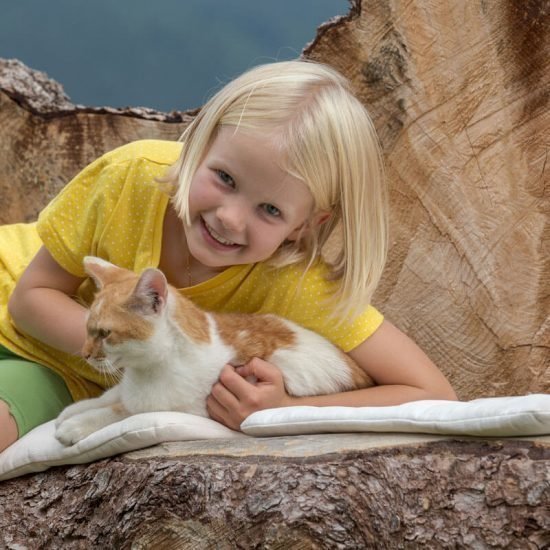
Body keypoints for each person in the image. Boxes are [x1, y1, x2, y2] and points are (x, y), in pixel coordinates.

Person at [0, 60, 457, 452]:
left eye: (271, 210)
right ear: (200, 140)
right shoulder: (130, 177)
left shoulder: (295, 285)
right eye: (224, 178)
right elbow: (31, 298)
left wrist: (289, 410)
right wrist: (129, 348)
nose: (231, 219)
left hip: (46, 369)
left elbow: (433, 393)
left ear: (304, 225)